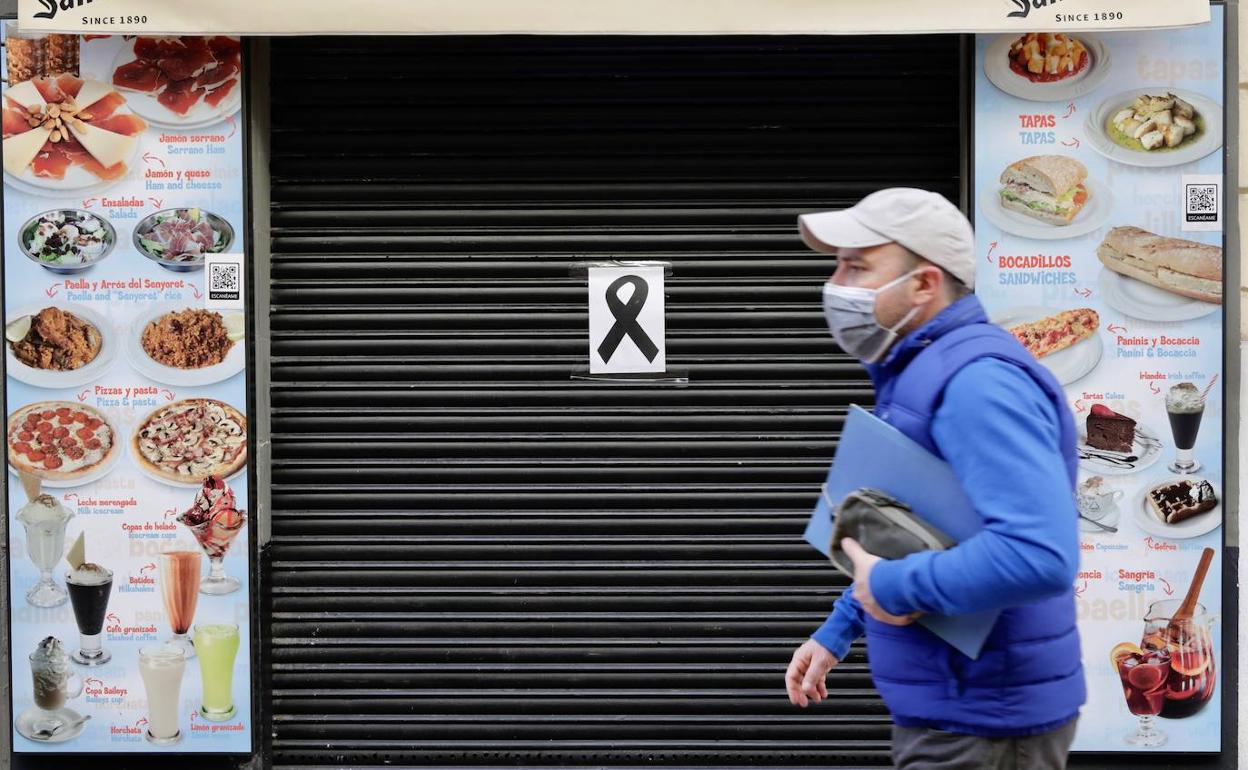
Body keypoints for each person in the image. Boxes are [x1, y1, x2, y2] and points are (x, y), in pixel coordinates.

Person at [784, 188, 1085, 770]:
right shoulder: (922, 371)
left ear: (924, 283)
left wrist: (893, 589)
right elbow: (928, 532)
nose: (838, 282)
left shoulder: (976, 383)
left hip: (985, 723)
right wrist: (840, 628)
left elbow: (1040, 555)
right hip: (959, 710)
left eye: (858, 265)